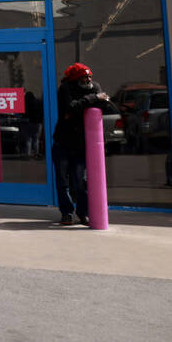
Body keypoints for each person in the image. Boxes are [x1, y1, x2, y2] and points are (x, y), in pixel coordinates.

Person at [52, 63, 115, 225]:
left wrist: (81, 106)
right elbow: (69, 107)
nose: (88, 80)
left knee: (81, 182)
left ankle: (83, 213)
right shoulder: (66, 88)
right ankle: (66, 213)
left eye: (89, 76)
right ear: (75, 79)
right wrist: (93, 99)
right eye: (84, 77)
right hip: (63, 142)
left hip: (81, 145)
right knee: (62, 181)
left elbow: (107, 105)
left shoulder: (95, 86)